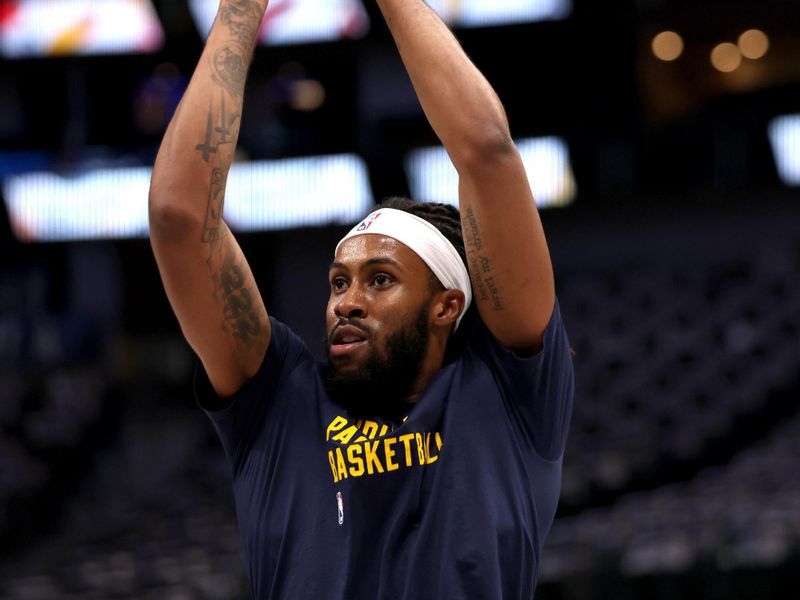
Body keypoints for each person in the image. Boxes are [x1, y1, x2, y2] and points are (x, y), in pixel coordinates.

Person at [149, 0, 573, 598]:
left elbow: (486, 151)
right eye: (338, 282)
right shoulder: (280, 403)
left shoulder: (506, 389)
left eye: (380, 280)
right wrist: (240, 9)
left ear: (447, 305)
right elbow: (178, 217)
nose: (345, 303)